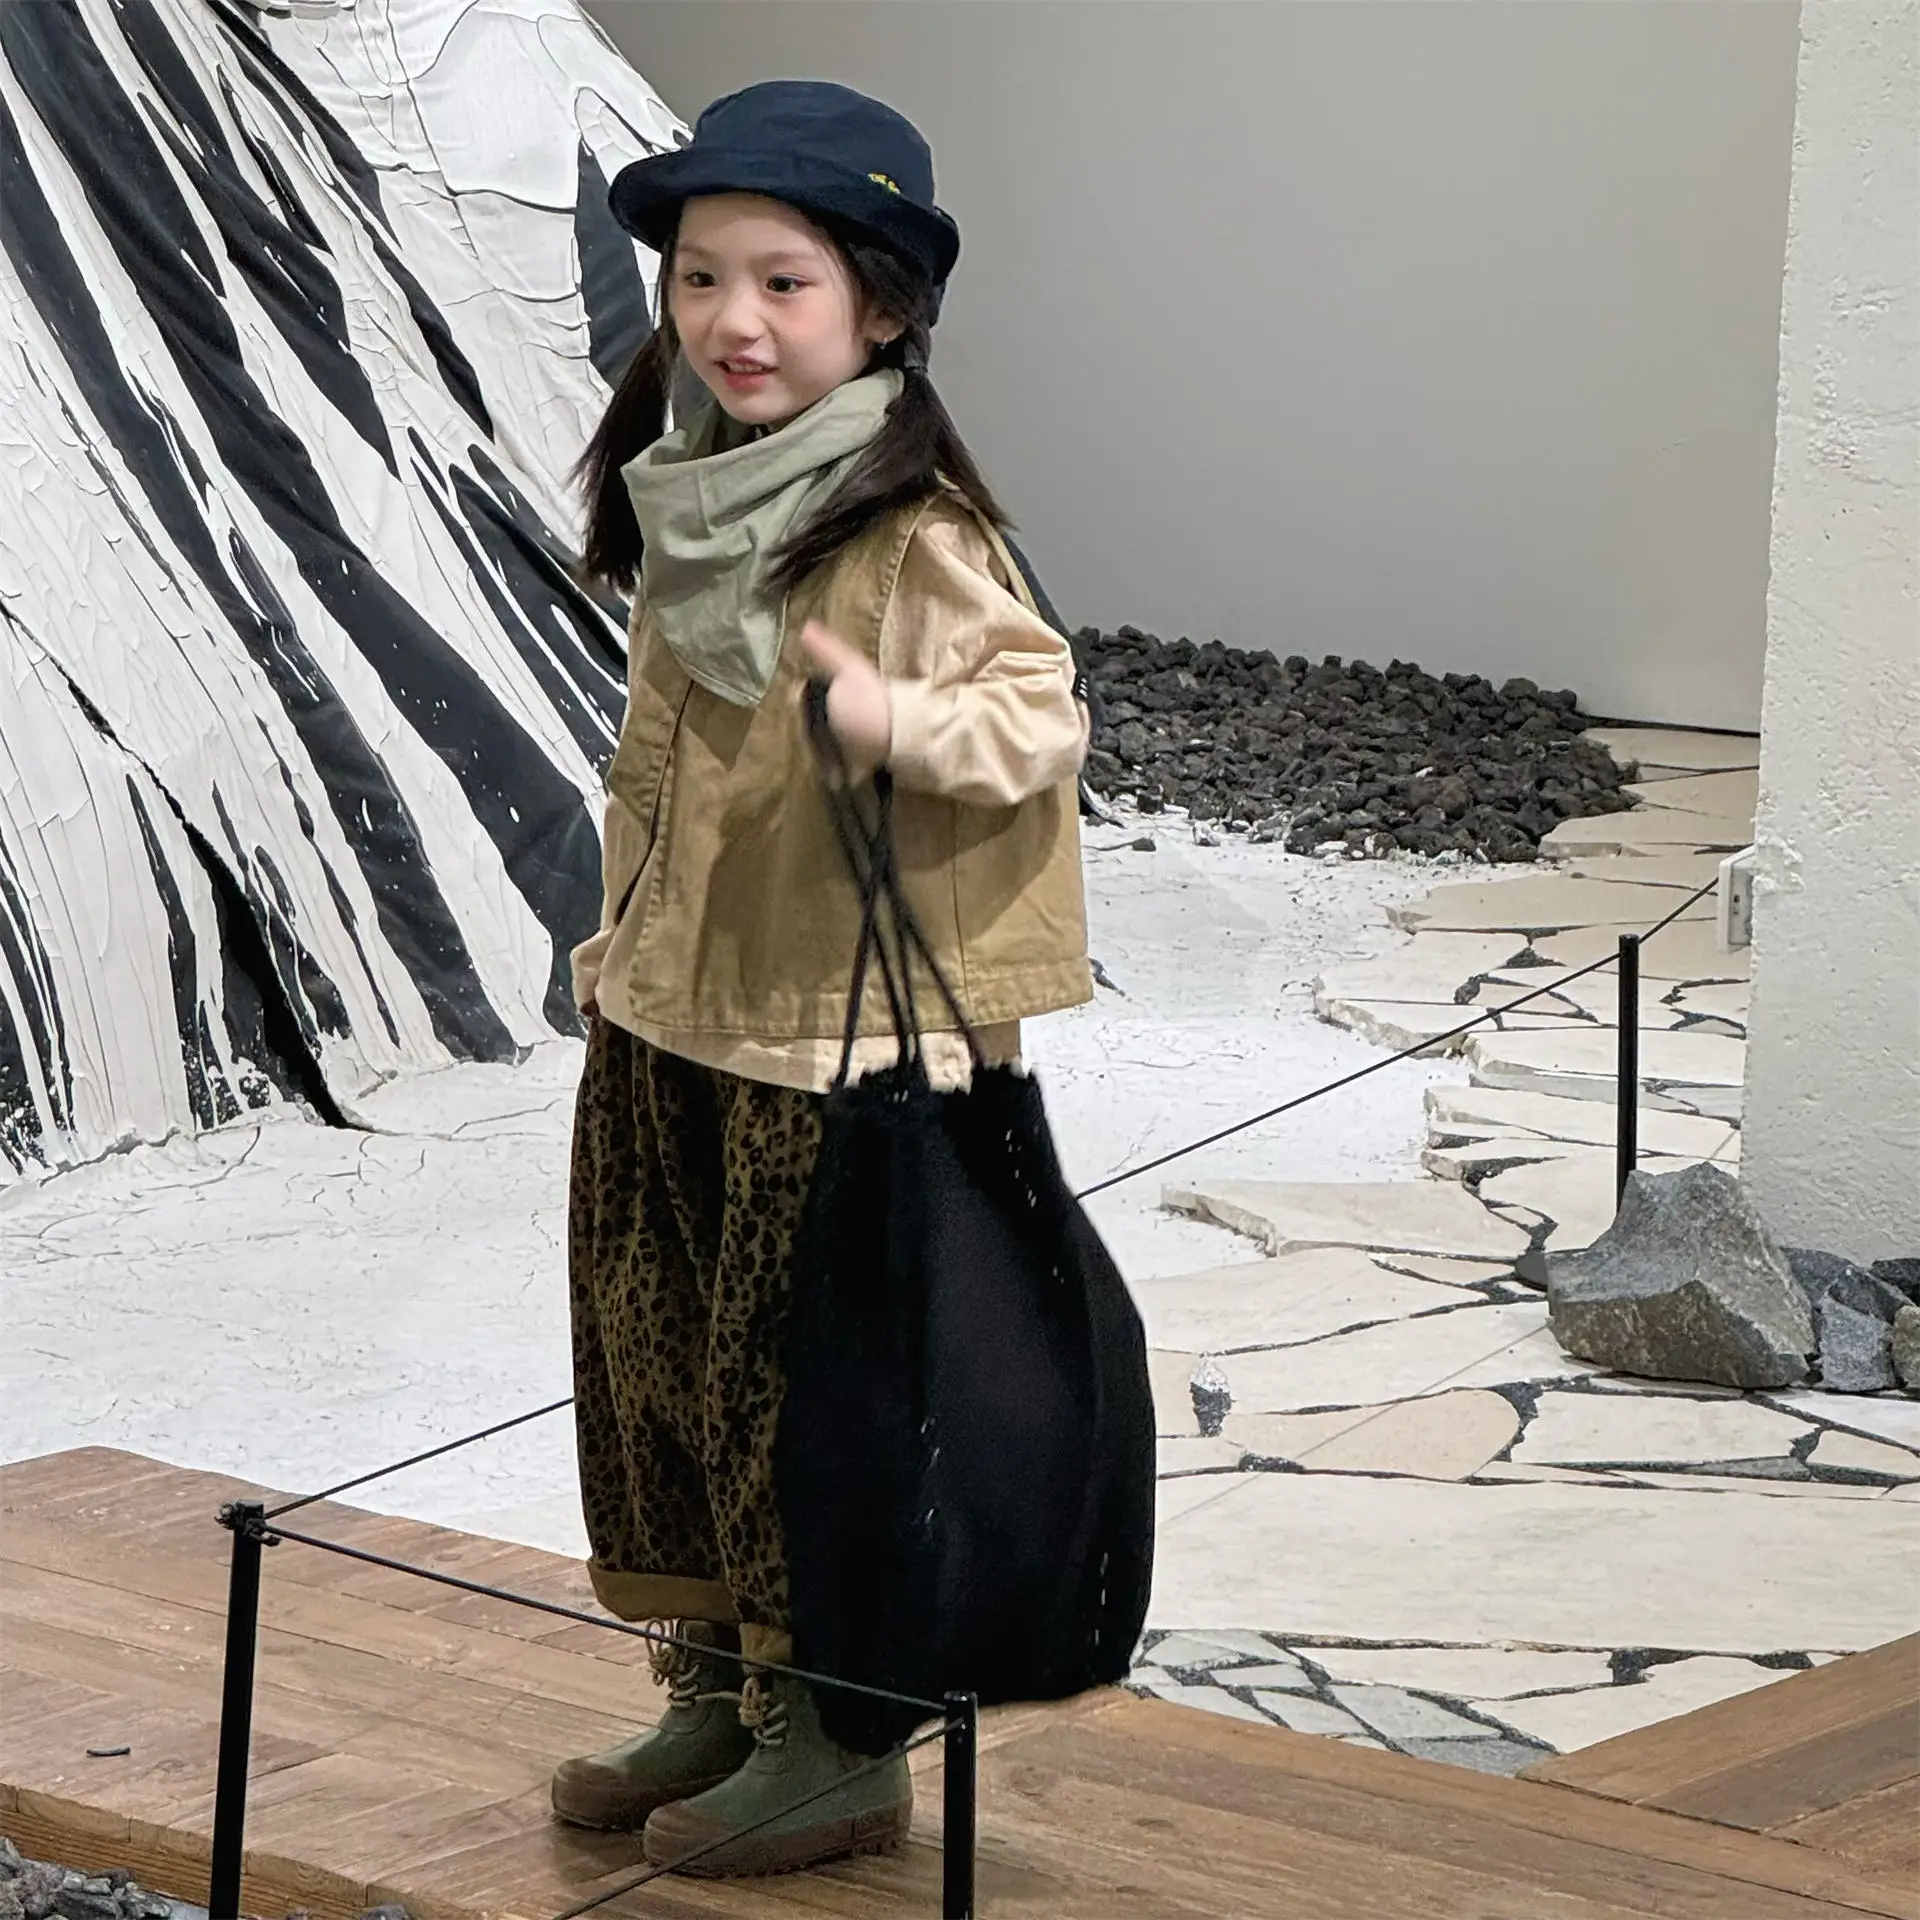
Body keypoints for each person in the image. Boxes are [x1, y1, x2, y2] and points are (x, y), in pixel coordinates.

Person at [552, 80, 1093, 1876]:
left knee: (808, 1395)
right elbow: (664, 766)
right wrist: (617, 949)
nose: (734, 321)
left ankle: (836, 1737)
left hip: (830, 1047)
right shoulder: (696, 496)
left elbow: (1037, 721)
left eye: (784, 282)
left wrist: (891, 717)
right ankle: (717, 1685)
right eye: (702, 278)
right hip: (674, 1010)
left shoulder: (910, 531)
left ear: (882, 307)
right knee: (663, 1367)